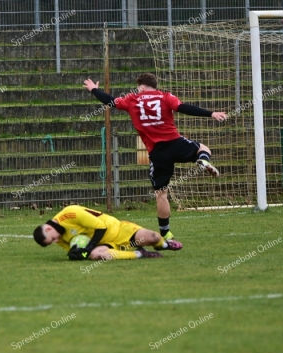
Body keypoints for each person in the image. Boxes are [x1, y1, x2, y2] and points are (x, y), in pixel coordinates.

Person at [83, 73, 227, 241]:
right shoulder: (165, 96)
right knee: (202, 148)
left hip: (158, 152)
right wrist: (211, 114)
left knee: (161, 194)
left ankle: (166, 233)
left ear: (142, 87)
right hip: (175, 143)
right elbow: (184, 107)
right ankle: (202, 160)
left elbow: (110, 101)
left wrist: (94, 89)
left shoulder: (132, 99)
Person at [32, 204, 183, 261]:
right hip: (106, 245)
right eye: (51, 243)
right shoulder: (59, 238)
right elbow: (78, 252)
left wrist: (88, 247)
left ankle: (163, 245)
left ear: (48, 228)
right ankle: (140, 254)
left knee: (154, 237)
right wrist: (77, 254)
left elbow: (101, 227)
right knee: (98, 255)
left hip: (118, 230)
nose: (54, 241)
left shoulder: (70, 213)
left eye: (51, 239)